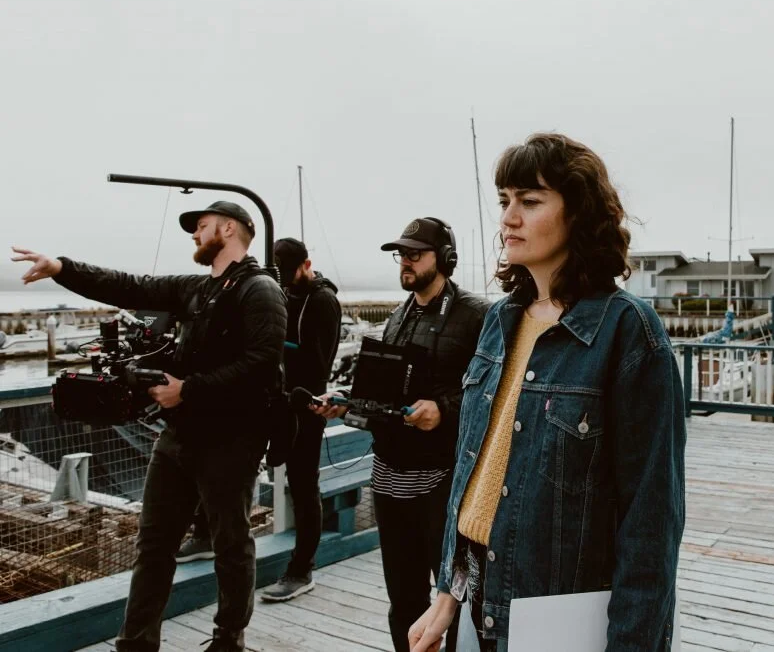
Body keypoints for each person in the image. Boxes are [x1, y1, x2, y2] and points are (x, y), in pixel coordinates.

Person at [408, 134, 687, 652]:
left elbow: (651, 522)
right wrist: (447, 594)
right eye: (504, 201)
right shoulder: (499, 320)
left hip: (561, 616)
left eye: (530, 201)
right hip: (476, 603)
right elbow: (475, 475)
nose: (508, 218)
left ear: (579, 214)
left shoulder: (627, 332)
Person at [11, 201, 288, 652]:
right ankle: (136, 644)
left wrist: (188, 390)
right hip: (178, 436)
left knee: (231, 546)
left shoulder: (260, 290)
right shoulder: (196, 288)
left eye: (201, 226)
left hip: (230, 440)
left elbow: (263, 365)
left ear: (229, 229)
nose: (194, 235)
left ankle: (228, 641)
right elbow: (128, 285)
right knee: (154, 545)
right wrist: (61, 268)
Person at [315, 217, 489, 652]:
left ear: (445, 258)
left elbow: (496, 394)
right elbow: (388, 393)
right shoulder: (398, 316)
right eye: (401, 255)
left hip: (443, 483)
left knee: (455, 601)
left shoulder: (477, 315)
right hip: (389, 480)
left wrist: (443, 410)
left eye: (415, 254)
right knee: (404, 600)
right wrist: (347, 402)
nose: (405, 262)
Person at [174, 237, 341, 604]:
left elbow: (318, 365)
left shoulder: (322, 300)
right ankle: (205, 534)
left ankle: (301, 569)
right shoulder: (275, 291)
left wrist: (270, 349)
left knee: (303, 485)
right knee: (223, 463)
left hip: (304, 407)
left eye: (288, 275)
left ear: (306, 265)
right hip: (267, 399)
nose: (284, 283)